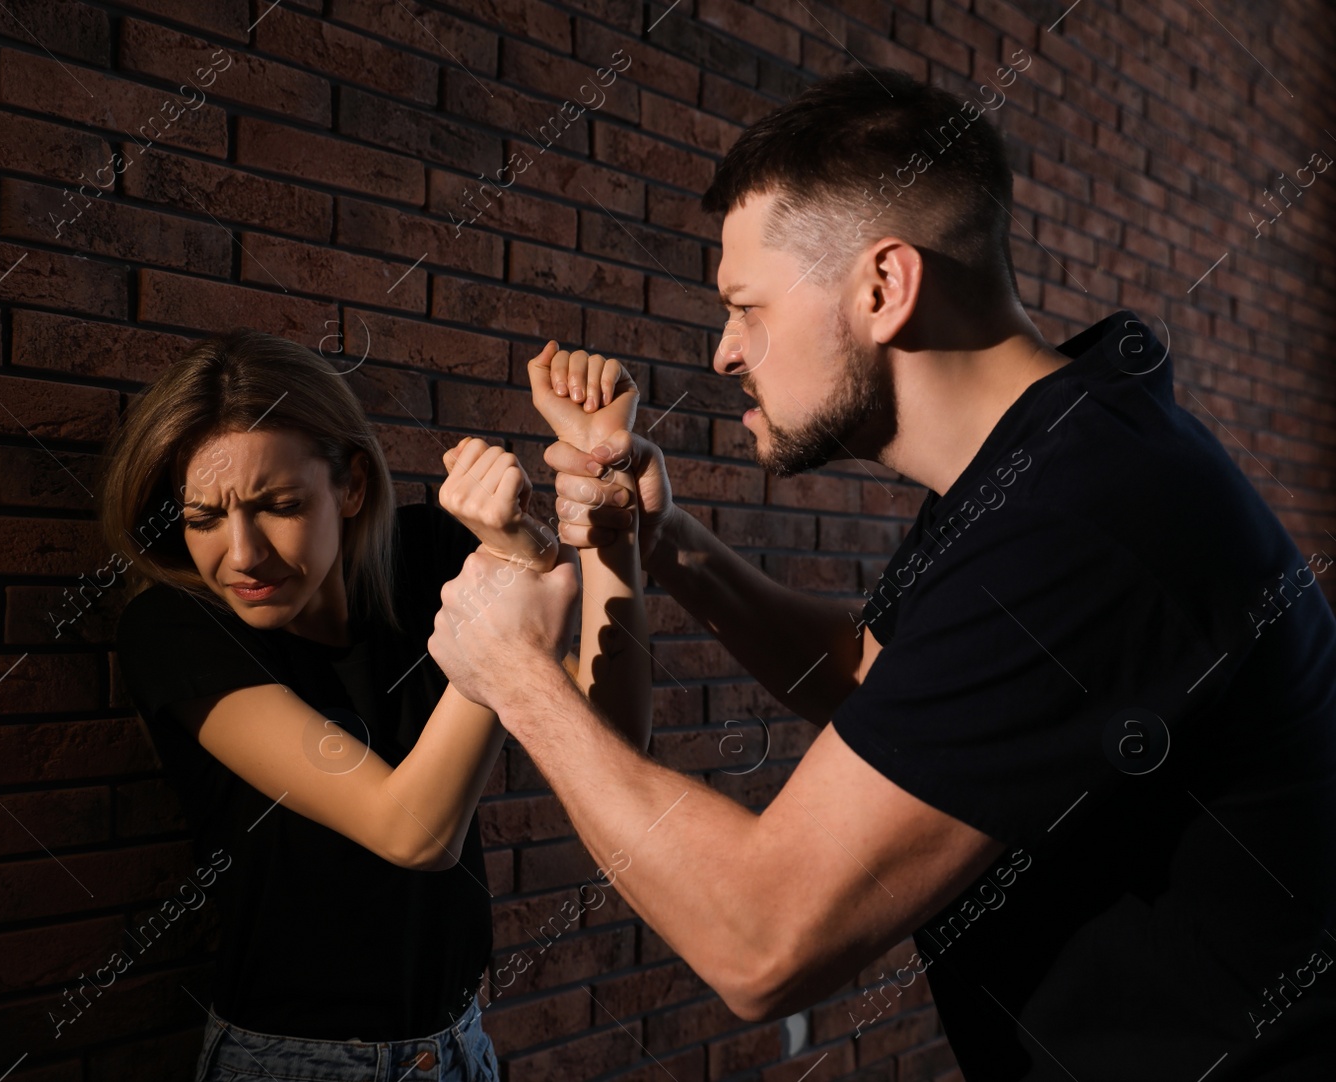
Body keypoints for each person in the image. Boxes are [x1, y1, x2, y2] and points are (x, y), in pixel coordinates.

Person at [425, 67, 1336, 1081]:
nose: (724, 353)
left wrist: (515, 670)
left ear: (882, 286)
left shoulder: (1078, 521)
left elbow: (762, 941)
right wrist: (668, 538)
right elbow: (881, 681)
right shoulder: (1048, 459)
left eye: (746, 306)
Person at [103, 330, 647, 1081]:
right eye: (202, 520)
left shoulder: (427, 556)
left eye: (279, 505)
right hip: (296, 1063)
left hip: (459, 1046)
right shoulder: (173, 629)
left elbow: (615, 741)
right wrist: (511, 580)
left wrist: (608, 508)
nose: (241, 554)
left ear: (352, 486)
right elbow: (412, 829)